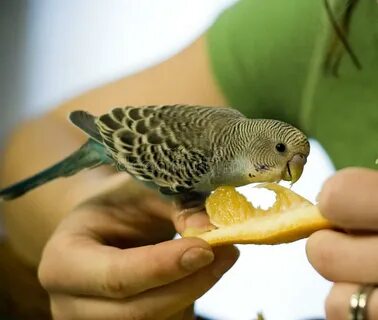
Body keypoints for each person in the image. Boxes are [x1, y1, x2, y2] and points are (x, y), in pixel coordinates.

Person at [0, 0, 377, 319]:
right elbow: (37, 139)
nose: (290, 168)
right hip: (114, 142)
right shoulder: (324, 20)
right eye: (282, 152)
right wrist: (89, 220)